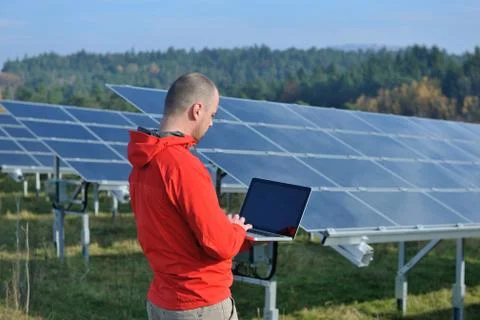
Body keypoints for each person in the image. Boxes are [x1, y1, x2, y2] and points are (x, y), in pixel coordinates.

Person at [127, 72, 253, 320]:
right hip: (199, 303)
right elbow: (219, 243)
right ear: (197, 110)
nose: (212, 122)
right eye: (212, 114)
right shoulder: (183, 166)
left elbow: (176, 230)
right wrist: (236, 230)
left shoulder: (143, 163)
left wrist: (221, 225)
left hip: (163, 300)